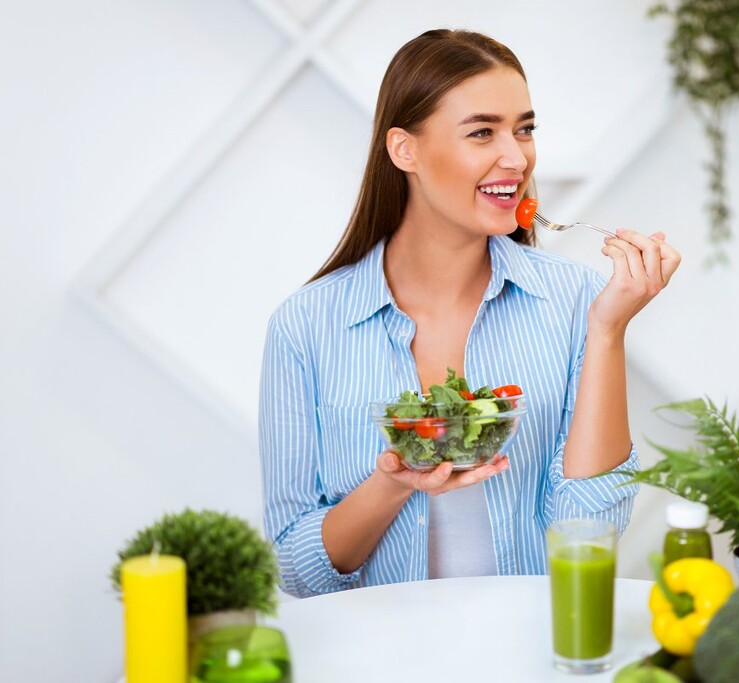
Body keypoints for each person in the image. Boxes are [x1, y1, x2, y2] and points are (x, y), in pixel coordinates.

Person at [259, 28, 681, 598]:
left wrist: (607, 331)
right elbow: (296, 571)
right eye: (482, 132)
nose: (517, 158)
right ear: (405, 150)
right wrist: (392, 483)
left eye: (524, 129)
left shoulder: (579, 302)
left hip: (532, 645)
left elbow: (592, 531)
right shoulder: (307, 326)